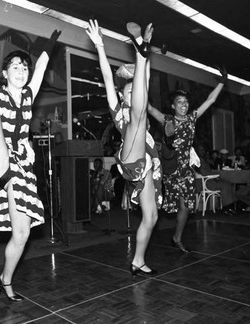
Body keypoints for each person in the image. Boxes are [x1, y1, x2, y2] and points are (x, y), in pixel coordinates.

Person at [0, 0, 59, 301]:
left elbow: (40, 66)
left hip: (18, 172)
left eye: (23, 66)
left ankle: (5, 279)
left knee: (22, 233)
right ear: (6, 73)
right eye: (14, 65)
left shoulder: (28, 93)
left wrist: (49, 43)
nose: (21, 69)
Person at [86, 19, 161, 276]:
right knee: (138, 117)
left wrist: (148, 46)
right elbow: (108, 76)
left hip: (147, 165)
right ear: (122, 96)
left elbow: (146, 81)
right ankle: (140, 53)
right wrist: (99, 46)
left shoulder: (140, 94)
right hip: (130, 159)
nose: (131, 95)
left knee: (151, 217)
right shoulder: (119, 110)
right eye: (128, 93)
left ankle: (137, 260)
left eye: (134, 92)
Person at [148, 68, 227, 252]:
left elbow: (211, 100)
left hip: (186, 169)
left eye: (186, 102)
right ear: (173, 106)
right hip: (171, 168)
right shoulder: (167, 119)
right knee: (162, 204)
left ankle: (177, 238)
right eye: (179, 102)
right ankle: (148, 228)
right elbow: (149, 108)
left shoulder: (192, 119)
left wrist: (222, 81)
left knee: (185, 207)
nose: (184, 104)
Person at [194, 144, 237, 214]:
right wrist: (216, 175)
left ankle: (230, 206)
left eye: (203, 150)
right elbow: (204, 173)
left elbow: (207, 171)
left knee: (228, 183)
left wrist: (215, 176)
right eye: (200, 150)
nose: (202, 151)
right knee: (225, 185)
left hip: (208, 180)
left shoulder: (202, 159)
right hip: (204, 183)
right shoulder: (197, 160)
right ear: (197, 151)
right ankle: (227, 208)